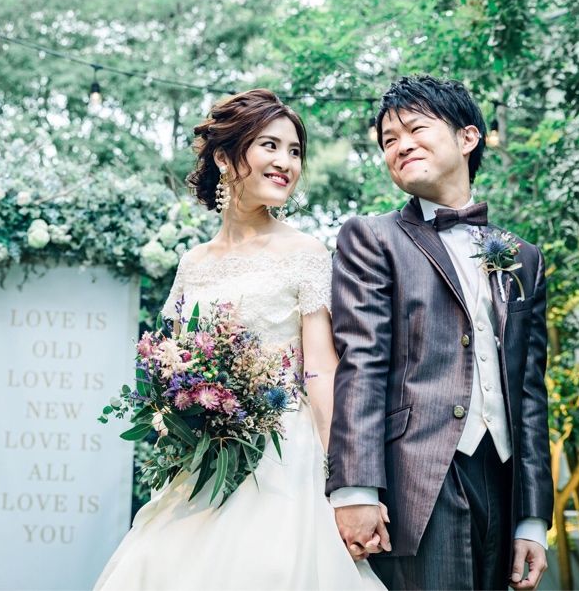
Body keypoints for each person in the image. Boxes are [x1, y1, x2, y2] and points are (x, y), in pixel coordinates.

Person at [96, 89, 383, 590]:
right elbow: (174, 365)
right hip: (206, 461)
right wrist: (181, 418)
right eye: (270, 146)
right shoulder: (193, 263)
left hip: (283, 456)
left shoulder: (305, 252)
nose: (286, 162)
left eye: (295, 151)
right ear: (226, 158)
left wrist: (344, 484)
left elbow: (321, 371)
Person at [328, 75, 552, 591]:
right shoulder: (372, 238)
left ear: (468, 137)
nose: (400, 145)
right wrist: (355, 490)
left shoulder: (523, 257)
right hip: (417, 479)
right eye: (388, 140)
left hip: (502, 480)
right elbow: (362, 364)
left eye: (416, 129)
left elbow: (530, 393)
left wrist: (532, 520)